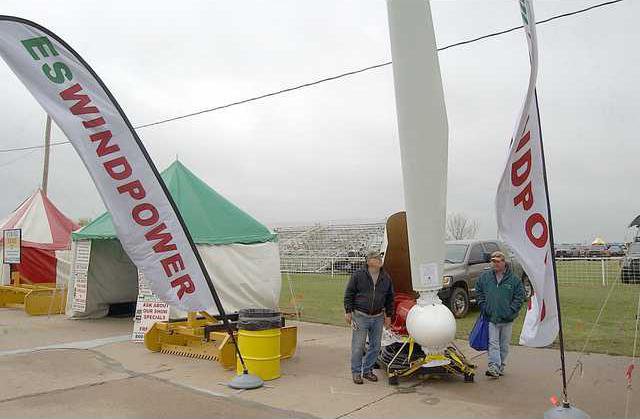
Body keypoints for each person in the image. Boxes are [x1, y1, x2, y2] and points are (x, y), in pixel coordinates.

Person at [344, 250, 394, 384]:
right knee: (358, 346)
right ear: (369, 261)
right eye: (375, 258)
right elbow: (349, 293)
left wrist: (388, 316)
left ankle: (367, 371)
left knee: (376, 346)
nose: (379, 260)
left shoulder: (386, 278)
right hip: (360, 316)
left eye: (379, 259)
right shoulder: (358, 275)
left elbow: (390, 298)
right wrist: (348, 311)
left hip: (378, 317)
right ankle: (356, 372)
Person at [476, 250, 525, 378]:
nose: (495, 264)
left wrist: (511, 310)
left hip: (507, 319)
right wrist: (483, 306)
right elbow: (479, 291)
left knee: (503, 345)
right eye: (493, 261)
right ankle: (494, 366)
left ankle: (500, 366)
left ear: (504, 262)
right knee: (493, 343)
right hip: (491, 318)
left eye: (497, 262)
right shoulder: (485, 277)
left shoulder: (514, 280)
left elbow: (520, 296)